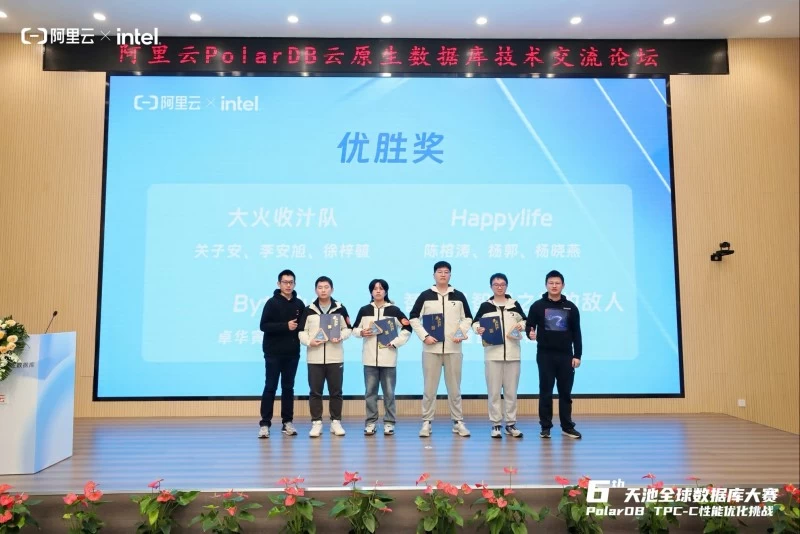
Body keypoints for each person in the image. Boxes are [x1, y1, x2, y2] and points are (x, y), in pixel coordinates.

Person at [409, 261, 473, 438]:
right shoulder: (425, 295)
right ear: (434, 275)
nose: (443, 275)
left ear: (450, 275)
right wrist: (425, 336)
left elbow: (468, 318)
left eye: (446, 272)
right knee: (429, 389)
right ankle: (426, 422)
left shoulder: (458, 296)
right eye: (439, 272)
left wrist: (460, 332)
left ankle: (458, 422)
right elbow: (413, 318)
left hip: (454, 349)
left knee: (455, 389)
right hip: (431, 349)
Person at [526, 270, 583, 439]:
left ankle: (567, 426)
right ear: (546, 285)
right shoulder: (537, 306)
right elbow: (530, 326)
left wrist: (577, 355)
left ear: (563, 285)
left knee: (565, 393)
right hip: (545, 355)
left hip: (566, 356)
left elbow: (577, 333)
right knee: (545, 392)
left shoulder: (571, 307)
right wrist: (530, 333)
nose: (554, 286)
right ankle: (545, 427)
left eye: (557, 283)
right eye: (551, 283)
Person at [352, 279, 412, 436]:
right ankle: (371, 422)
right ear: (371, 292)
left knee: (389, 393)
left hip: (388, 359)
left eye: (381, 288)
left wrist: (396, 342)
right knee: (370, 393)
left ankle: (389, 422)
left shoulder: (394, 310)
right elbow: (354, 329)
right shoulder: (364, 310)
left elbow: (407, 327)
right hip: (369, 359)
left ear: (386, 291)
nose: (378, 291)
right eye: (375, 288)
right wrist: (361, 332)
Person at [472, 273, 527, 439]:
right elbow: (475, 323)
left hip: (513, 355)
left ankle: (511, 424)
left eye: (502, 284)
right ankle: (496, 424)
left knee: (511, 392)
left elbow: (526, 321)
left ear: (506, 286)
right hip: (492, 355)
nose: (499, 287)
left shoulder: (514, 304)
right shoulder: (485, 306)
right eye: (496, 284)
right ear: (491, 287)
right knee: (494, 392)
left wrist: (521, 325)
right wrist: (478, 329)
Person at [298, 276, 351, 438]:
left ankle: (336, 422)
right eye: (320, 287)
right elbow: (301, 332)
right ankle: (316, 423)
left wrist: (341, 336)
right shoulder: (309, 309)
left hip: (335, 358)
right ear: (316, 290)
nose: (323, 290)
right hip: (314, 358)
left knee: (336, 392)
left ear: (332, 289)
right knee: (315, 392)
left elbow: (348, 328)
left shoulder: (340, 308)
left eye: (326, 287)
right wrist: (309, 342)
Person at [258, 269, 305, 439]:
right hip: (273, 353)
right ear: (279, 284)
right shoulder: (271, 303)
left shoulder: (299, 304)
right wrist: (285, 326)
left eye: (291, 282)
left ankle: (287, 422)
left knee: (288, 388)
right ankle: (265, 424)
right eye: (285, 282)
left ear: (295, 284)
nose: (288, 285)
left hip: (292, 353)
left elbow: (303, 326)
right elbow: (263, 326)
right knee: (270, 387)